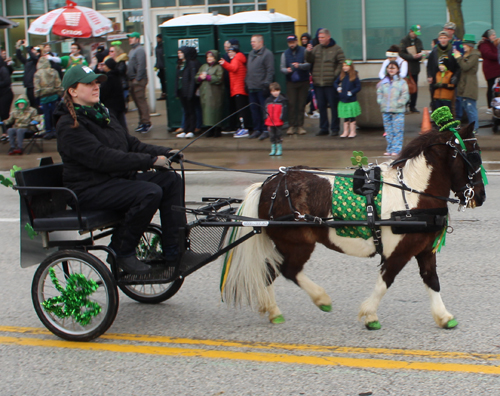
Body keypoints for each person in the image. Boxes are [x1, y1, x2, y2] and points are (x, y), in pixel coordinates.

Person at [55, 65, 186, 275]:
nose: (96, 87)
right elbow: (104, 159)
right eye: (89, 83)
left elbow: (131, 144)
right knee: (149, 192)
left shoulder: (102, 114)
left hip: (114, 180)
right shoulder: (69, 125)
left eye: (97, 82)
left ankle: (174, 249)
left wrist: (166, 152)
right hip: (89, 188)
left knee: (170, 181)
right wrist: (150, 161)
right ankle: (121, 251)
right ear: (73, 91)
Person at [305, 28, 345, 136]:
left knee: (333, 107)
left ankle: (335, 128)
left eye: (322, 37)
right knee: (321, 107)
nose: (320, 39)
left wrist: (334, 75)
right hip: (318, 83)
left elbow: (341, 63)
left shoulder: (337, 49)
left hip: (330, 83)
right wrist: (308, 52)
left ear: (328, 37)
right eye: (319, 37)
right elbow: (309, 60)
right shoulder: (316, 48)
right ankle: (323, 128)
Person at [377, 61, 409, 156]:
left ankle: (397, 149)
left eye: (393, 68)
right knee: (388, 131)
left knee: (397, 130)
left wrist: (399, 103)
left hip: (397, 111)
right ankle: (390, 149)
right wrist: (380, 101)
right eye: (389, 68)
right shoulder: (384, 82)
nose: (391, 70)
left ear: (398, 69)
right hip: (386, 110)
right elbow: (379, 92)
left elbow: (405, 95)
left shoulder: (402, 82)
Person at [280, 34, 310, 135]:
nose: (291, 44)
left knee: (301, 104)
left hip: (303, 81)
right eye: (289, 42)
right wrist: (286, 70)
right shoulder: (285, 53)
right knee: (291, 104)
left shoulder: (303, 51)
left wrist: (300, 66)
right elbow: (282, 68)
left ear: (296, 41)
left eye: (293, 42)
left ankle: (300, 126)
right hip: (291, 82)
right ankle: (292, 126)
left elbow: (309, 64)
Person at [245, 34, 274, 140]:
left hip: (261, 88)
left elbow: (270, 71)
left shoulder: (267, 54)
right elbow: (249, 70)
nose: (252, 43)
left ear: (260, 42)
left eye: (254, 41)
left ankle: (266, 129)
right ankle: (257, 129)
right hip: (251, 86)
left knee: (264, 110)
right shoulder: (251, 54)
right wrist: (246, 83)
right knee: (254, 110)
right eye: (251, 41)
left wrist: (266, 85)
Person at [220, 45, 250, 138]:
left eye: (231, 52)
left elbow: (233, 68)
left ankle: (244, 129)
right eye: (228, 52)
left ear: (236, 52)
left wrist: (224, 63)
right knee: (241, 109)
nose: (229, 54)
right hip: (238, 88)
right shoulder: (238, 58)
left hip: (239, 89)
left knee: (241, 110)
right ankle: (242, 127)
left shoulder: (236, 59)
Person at [427, 31, 460, 111]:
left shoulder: (453, 50)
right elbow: (429, 65)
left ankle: (450, 120)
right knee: (436, 101)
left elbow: (458, 66)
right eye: (441, 38)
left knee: (450, 103)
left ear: (448, 39)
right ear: (438, 39)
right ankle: (437, 120)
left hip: (449, 80)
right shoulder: (434, 52)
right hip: (436, 79)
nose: (443, 40)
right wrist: (430, 76)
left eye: (445, 38)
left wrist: (455, 76)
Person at [454, 34, 480, 133]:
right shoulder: (467, 55)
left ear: (469, 45)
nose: (463, 46)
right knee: (467, 107)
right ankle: (472, 128)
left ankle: (475, 128)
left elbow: (465, 67)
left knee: (471, 108)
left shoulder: (474, 56)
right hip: (464, 86)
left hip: (470, 86)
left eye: (464, 44)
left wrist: (458, 58)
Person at [127, 32, 152, 133]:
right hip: (132, 80)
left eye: (132, 38)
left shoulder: (140, 50)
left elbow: (141, 66)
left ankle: (146, 122)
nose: (130, 39)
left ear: (137, 39)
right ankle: (141, 122)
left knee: (141, 102)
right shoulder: (132, 50)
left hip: (138, 81)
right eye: (130, 38)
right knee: (137, 102)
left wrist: (137, 79)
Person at [34, 56, 64, 140]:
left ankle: (48, 131)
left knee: (46, 114)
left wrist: (37, 97)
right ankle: (56, 130)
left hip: (44, 96)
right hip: (54, 95)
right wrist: (60, 94)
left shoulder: (38, 73)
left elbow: (37, 87)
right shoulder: (53, 71)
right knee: (55, 113)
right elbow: (58, 83)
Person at [196, 50, 224, 138]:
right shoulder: (203, 66)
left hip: (215, 93)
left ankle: (217, 129)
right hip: (205, 93)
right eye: (208, 57)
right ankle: (209, 129)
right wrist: (200, 77)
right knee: (206, 111)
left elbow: (219, 78)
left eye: (211, 57)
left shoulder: (218, 67)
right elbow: (196, 77)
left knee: (215, 110)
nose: (209, 59)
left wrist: (208, 77)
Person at [175, 46, 200, 139]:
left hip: (188, 92)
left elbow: (192, 80)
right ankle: (185, 129)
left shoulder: (191, 64)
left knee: (191, 111)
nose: (179, 55)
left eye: (181, 53)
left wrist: (190, 92)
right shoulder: (180, 64)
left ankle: (191, 130)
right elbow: (177, 79)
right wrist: (176, 91)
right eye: (178, 53)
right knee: (185, 111)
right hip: (182, 91)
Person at [399, 25, 424, 113]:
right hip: (406, 68)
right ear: (410, 31)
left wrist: (420, 56)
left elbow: (421, 51)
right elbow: (401, 53)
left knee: (414, 87)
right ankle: (404, 105)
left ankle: (413, 106)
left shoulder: (418, 41)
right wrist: (411, 56)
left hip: (415, 68)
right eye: (414, 33)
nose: (415, 35)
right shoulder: (404, 40)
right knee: (405, 87)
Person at [334, 60, 361, 138]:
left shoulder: (354, 76)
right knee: (345, 116)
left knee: (352, 115)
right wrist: (338, 88)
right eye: (343, 66)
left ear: (350, 67)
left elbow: (358, 87)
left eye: (346, 66)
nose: (344, 67)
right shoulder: (342, 75)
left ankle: (353, 131)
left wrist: (352, 92)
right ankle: (345, 131)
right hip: (343, 99)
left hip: (351, 100)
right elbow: (335, 83)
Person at [100, 57, 127, 131]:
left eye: (105, 65)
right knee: (122, 123)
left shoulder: (109, 78)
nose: (104, 67)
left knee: (115, 124)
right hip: (119, 105)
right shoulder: (117, 76)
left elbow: (104, 91)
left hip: (111, 105)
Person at [478, 29, 500, 114]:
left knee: (496, 88)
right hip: (491, 70)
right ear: (488, 36)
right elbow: (489, 54)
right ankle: (490, 106)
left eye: (494, 34)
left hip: (496, 69)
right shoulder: (484, 45)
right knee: (491, 87)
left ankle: (496, 104)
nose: (494, 36)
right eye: (492, 35)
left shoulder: (492, 43)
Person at [15, 40, 40, 109]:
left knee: (35, 104)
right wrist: (18, 47)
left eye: (34, 50)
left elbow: (33, 57)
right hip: (28, 85)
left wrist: (27, 47)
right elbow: (19, 57)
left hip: (34, 85)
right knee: (30, 103)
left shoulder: (36, 60)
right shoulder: (28, 61)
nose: (32, 51)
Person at [264, 82, 287, 156]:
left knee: (278, 135)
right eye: (274, 91)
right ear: (271, 92)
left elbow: (284, 111)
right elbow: (265, 110)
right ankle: (273, 148)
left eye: (277, 91)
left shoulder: (282, 100)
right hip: (270, 122)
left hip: (278, 122)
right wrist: (266, 118)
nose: (276, 93)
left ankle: (279, 148)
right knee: (272, 136)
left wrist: (281, 118)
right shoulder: (268, 100)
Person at [0, 54, 14, 143]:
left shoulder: (3, 69)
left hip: (6, 94)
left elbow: (7, 81)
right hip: (1, 94)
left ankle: (7, 132)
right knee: (2, 114)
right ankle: (4, 132)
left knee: (4, 113)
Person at [155, 34, 166, 100]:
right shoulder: (158, 46)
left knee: (164, 81)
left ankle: (165, 93)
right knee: (162, 80)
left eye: (158, 38)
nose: (157, 39)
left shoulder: (163, 46)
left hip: (164, 66)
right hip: (160, 66)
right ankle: (163, 93)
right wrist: (156, 65)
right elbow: (158, 57)